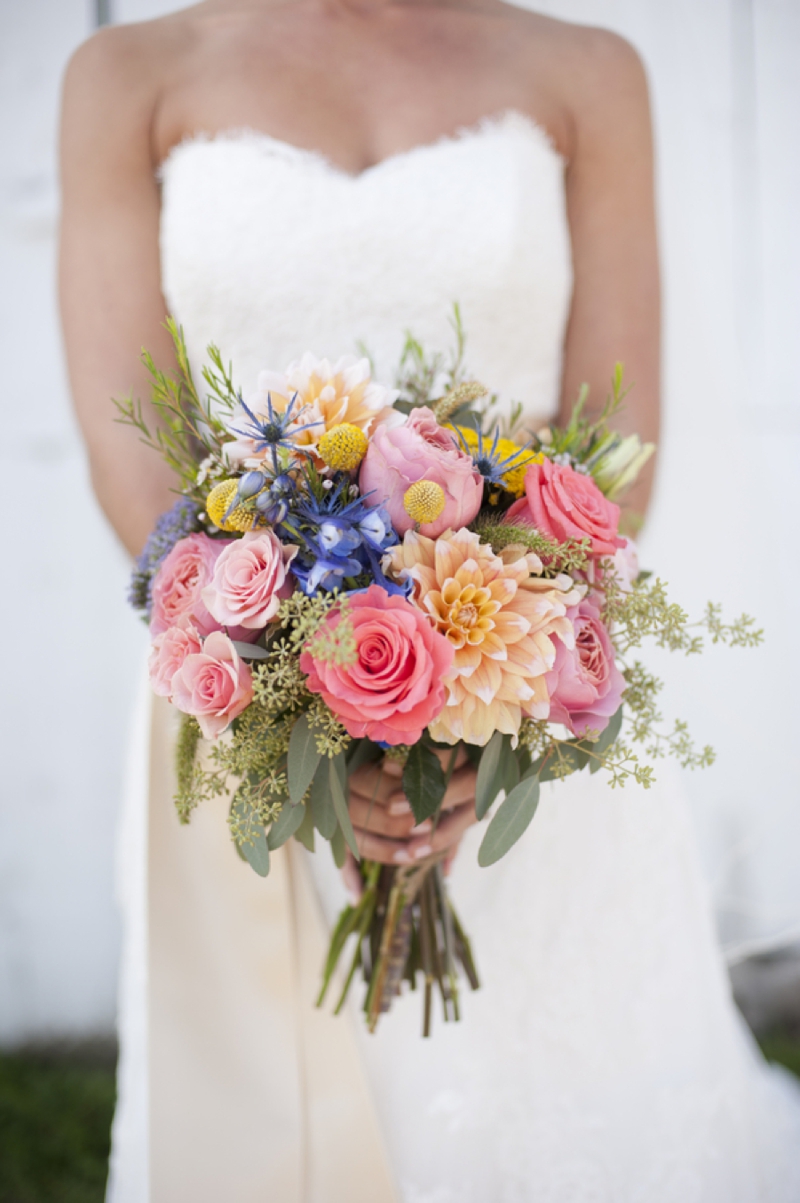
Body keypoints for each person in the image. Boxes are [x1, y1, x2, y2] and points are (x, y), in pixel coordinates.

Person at [59, 1, 800, 1200]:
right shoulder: (127, 73)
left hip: (523, 668)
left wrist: (472, 710)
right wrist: (284, 701)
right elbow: (125, 441)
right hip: (240, 669)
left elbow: (616, 438)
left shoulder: (586, 69)